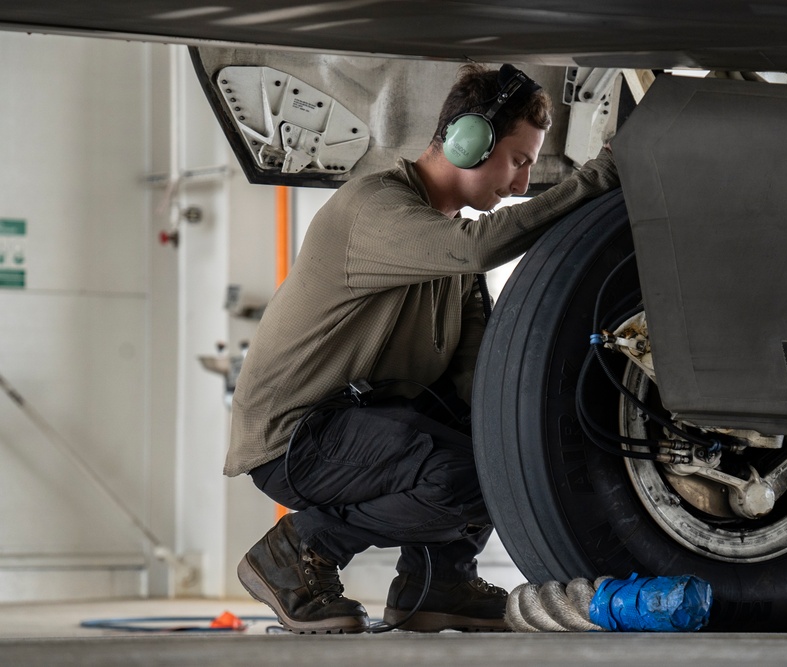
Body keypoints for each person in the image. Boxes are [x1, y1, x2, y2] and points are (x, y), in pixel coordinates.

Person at [225, 63, 620, 634]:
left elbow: (472, 368)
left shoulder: (441, 240)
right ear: (469, 139)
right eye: (518, 160)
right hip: (296, 435)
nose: (519, 184)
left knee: (498, 450)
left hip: (360, 421)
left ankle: (439, 583)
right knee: (461, 474)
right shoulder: (376, 208)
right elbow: (475, 250)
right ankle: (298, 551)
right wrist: (596, 180)